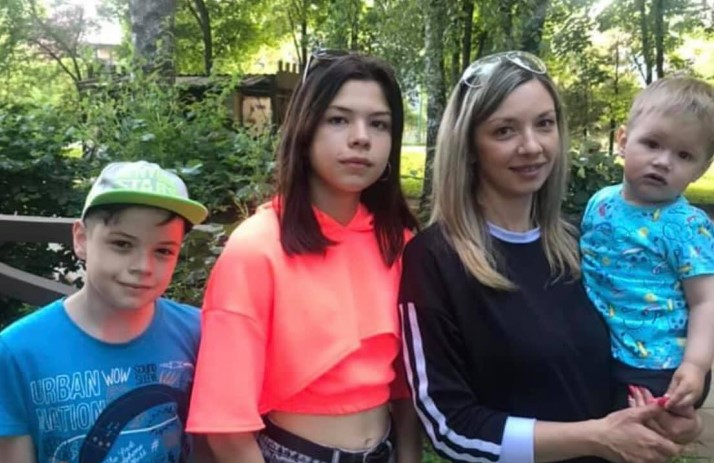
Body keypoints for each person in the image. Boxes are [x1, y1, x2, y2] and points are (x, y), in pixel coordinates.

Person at [398, 51, 702, 463]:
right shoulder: (434, 260)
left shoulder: (586, 242)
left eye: (544, 124)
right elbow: (450, 427)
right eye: (504, 130)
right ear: (468, 145)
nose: (532, 146)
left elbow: (660, 335)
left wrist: (676, 416)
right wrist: (593, 438)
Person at [186, 51, 421, 463]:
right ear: (305, 129)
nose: (361, 137)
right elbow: (226, 427)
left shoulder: (398, 242)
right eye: (338, 119)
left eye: (379, 124)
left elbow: (406, 384)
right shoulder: (256, 249)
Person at [0, 160, 209, 463]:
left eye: (163, 250)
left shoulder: (200, 333)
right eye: (122, 244)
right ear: (81, 239)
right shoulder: (16, 353)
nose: (143, 267)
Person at [581, 76, 714, 413]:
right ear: (623, 141)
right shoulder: (600, 202)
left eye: (684, 154)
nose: (663, 161)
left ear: (700, 169)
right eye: (652, 144)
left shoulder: (687, 226)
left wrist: (696, 365)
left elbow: (706, 301)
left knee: (635, 433)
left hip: (659, 365)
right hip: (599, 350)